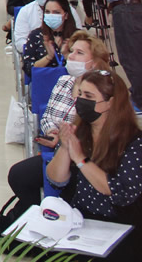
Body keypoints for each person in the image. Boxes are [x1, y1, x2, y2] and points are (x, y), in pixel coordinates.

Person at [8, 31, 111, 211]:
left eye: (79, 53)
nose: (71, 56)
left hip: (86, 154)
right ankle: (35, 210)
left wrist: (68, 139)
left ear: (94, 62)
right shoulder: (64, 81)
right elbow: (47, 116)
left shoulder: (102, 93)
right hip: (57, 148)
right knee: (18, 175)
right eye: (71, 51)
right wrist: (52, 132)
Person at [46, 70, 142, 261]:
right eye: (80, 94)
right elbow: (56, 180)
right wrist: (66, 148)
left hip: (120, 225)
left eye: (89, 96)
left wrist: (81, 159)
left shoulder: (133, 142)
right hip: (81, 218)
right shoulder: (80, 130)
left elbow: (117, 190)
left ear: (111, 103)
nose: (81, 100)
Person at [20, 0, 78, 77]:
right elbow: (28, 69)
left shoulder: (78, 37)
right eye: (47, 12)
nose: (51, 15)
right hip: (44, 83)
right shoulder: (36, 35)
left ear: (66, 15)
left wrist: (67, 56)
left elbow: (86, 68)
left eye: (56, 12)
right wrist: (49, 57)